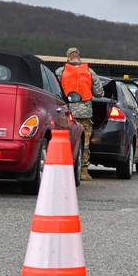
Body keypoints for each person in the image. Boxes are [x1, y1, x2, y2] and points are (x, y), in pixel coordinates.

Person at [55, 47, 103, 181]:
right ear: (79, 58)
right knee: (84, 142)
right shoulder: (89, 71)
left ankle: (60, 170)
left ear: (67, 58)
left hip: (65, 112)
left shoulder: (60, 71)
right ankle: (83, 172)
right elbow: (99, 93)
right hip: (85, 113)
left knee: (63, 140)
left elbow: (52, 89)